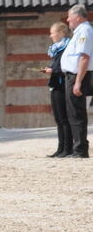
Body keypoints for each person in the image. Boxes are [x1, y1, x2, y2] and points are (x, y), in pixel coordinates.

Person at [60, 4, 93, 159]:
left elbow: (84, 58)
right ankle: (77, 148)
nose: (68, 20)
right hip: (73, 76)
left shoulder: (85, 31)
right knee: (72, 113)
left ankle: (80, 150)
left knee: (77, 113)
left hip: (78, 76)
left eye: (70, 17)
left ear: (78, 17)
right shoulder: (79, 31)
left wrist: (78, 82)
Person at [41, 23, 72, 158]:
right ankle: (60, 149)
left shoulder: (68, 47)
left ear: (61, 33)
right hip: (55, 85)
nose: (50, 35)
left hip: (62, 86)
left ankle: (67, 149)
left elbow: (69, 66)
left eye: (52, 32)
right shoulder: (57, 49)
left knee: (64, 119)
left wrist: (53, 70)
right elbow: (56, 64)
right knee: (58, 119)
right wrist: (49, 69)